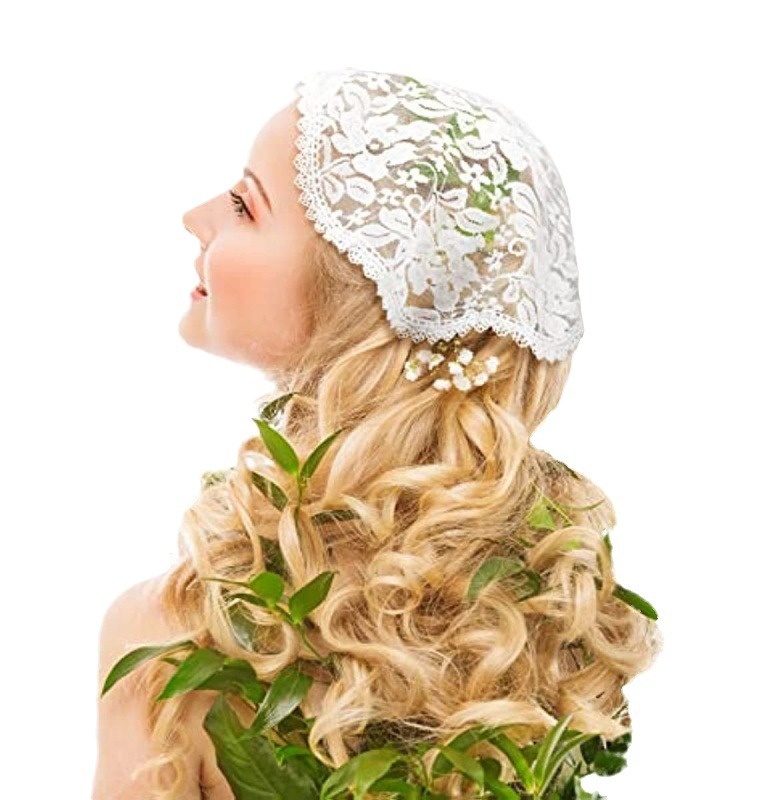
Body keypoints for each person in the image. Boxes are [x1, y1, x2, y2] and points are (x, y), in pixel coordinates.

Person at [93, 67, 663, 800]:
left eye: (244, 205)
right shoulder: (550, 626)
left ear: (356, 299)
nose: (196, 217)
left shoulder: (168, 642)